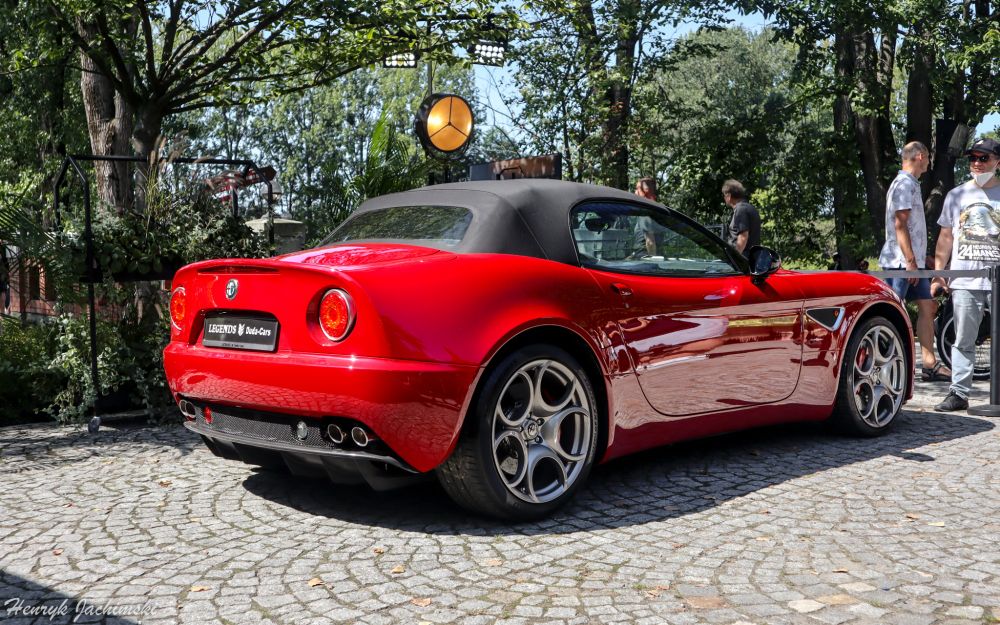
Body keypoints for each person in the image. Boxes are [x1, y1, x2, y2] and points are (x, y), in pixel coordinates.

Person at [932, 137, 1000, 411]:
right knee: (962, 339)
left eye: (984, 158)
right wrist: (939, 274)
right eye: (973, 157)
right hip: (965, 279)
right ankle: (959, 393)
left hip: (997, 279)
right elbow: (945, 237)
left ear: (997, 161)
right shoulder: (956, 195)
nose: (977, 163)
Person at [877, 141, 949, 381]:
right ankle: (883, 366)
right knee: (893, 314)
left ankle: (929, 364)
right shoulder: (903, 184)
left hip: (912, 263)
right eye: (928, 157)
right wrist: (909, 261)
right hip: (899, 263)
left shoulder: (910, 184)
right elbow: (900, 224)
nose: (929, 162)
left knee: (928, 306)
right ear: (920, 156)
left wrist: (921, 258)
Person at [722, 179, 760, 255]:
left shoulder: (740, 210)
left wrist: (736, 258)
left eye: (724, 195)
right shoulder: (750, 208)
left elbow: (743, 237)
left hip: (743, 259)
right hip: (752, 257)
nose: (724, 198)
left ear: (729, 196)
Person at [633, 177, 665, 256]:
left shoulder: (645, 213)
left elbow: (650, 243)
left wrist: (653, 263)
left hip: (645, 260)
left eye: (637, 189)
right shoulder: (657, 210)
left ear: (646, 191)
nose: (635, 192)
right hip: (648, 257)